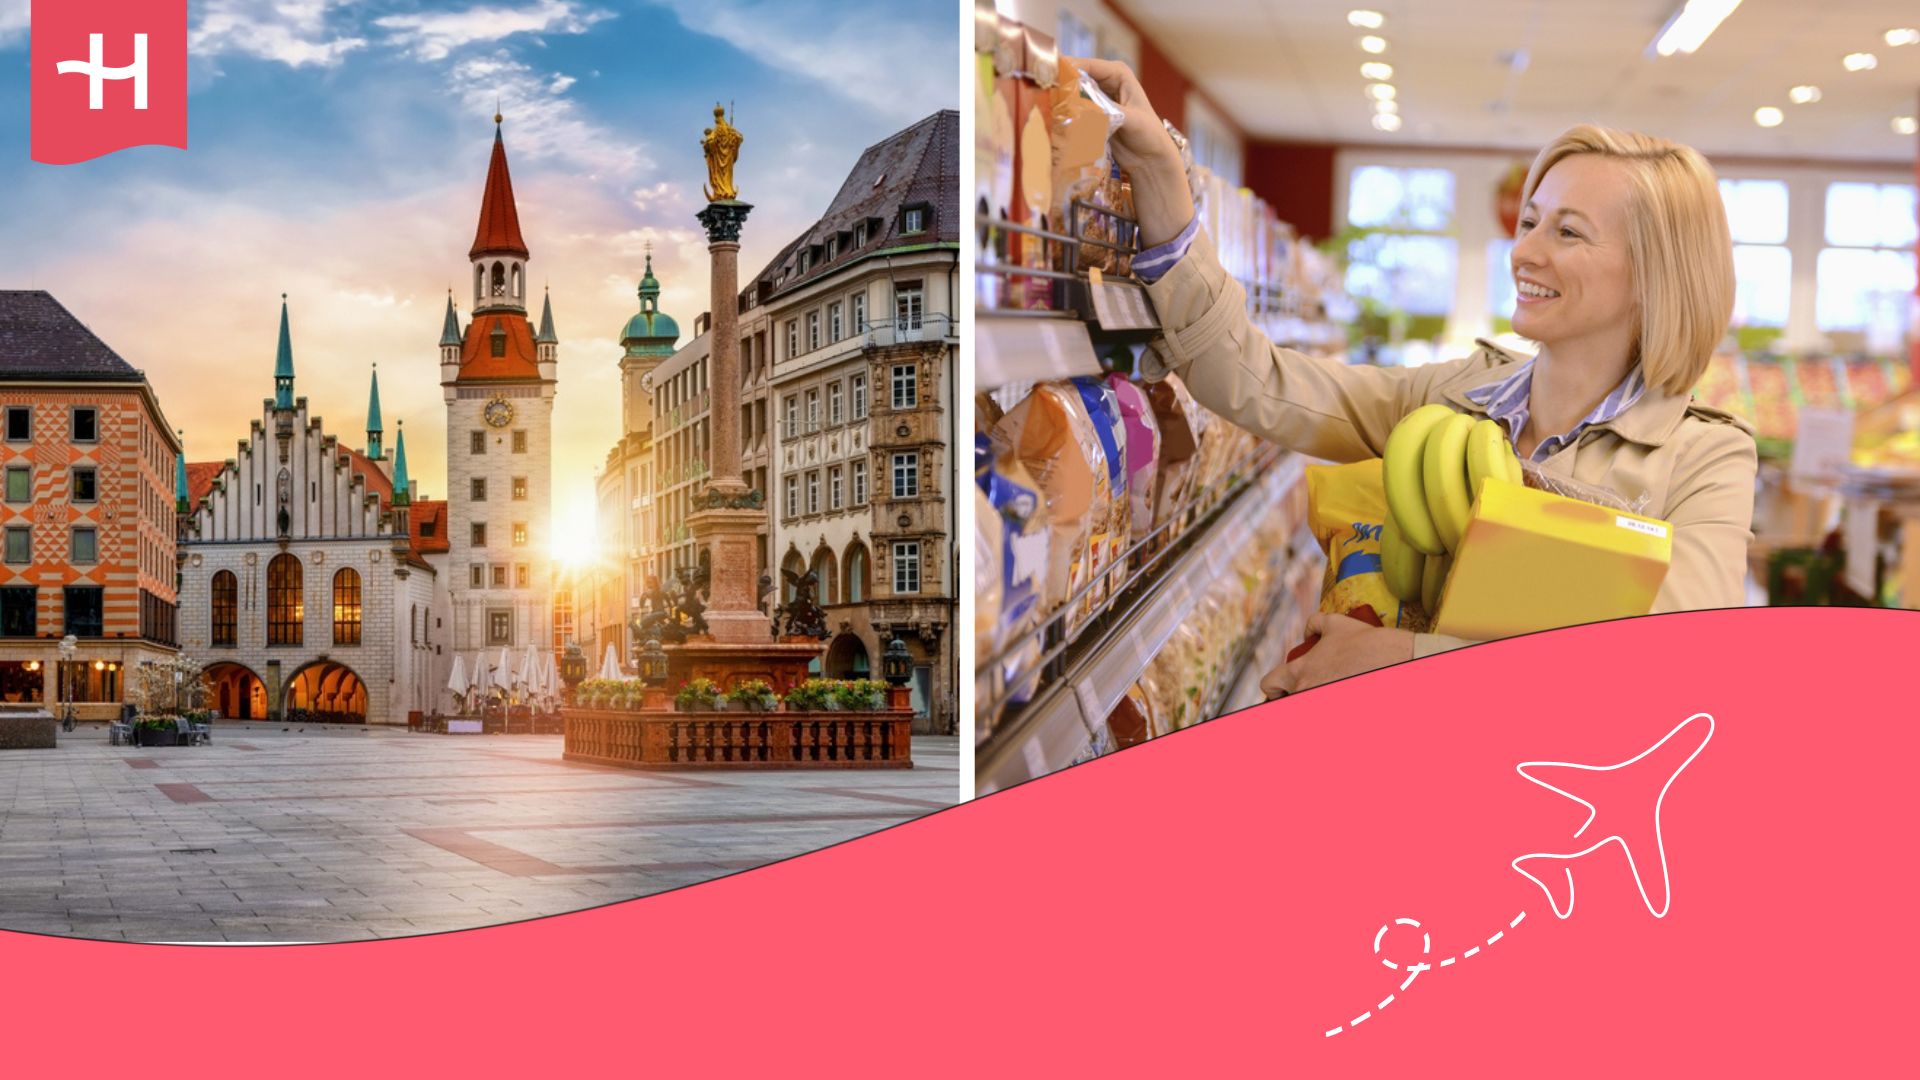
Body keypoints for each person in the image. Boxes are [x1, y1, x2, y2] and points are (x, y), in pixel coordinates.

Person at [1076, 58, 1758, 696]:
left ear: (1654, 274)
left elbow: (1677, 658)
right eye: (1529, 221)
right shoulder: (1453, 401)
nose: (1524, 250)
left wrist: (1406, 661)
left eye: (1569, 233)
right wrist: (1162, 180)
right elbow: (1257, 381)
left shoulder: (1702, 457)